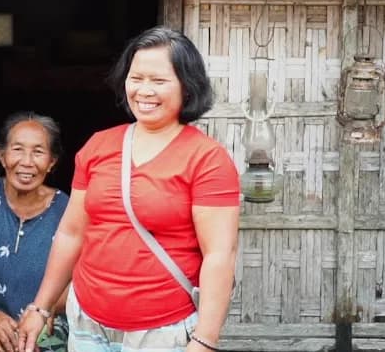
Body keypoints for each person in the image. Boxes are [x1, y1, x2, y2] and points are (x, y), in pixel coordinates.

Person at [17, 26, 241, 352]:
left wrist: (205, 340)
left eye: (158, 80)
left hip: (163, 333)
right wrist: (41, 307)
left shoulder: (208, 159)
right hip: (88, 324)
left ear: (187, 87)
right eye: (136, 78)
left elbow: (219, 255)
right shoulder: (99, 146)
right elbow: (71, 233)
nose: (144, 90)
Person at [0, 112, 70, 352]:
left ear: (52, 161)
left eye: (38, 152)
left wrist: (41, 312)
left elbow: (81, 278)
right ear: (2, 156)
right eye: (17, 149)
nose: (27, 161)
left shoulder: (68, 210)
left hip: (45, 333)